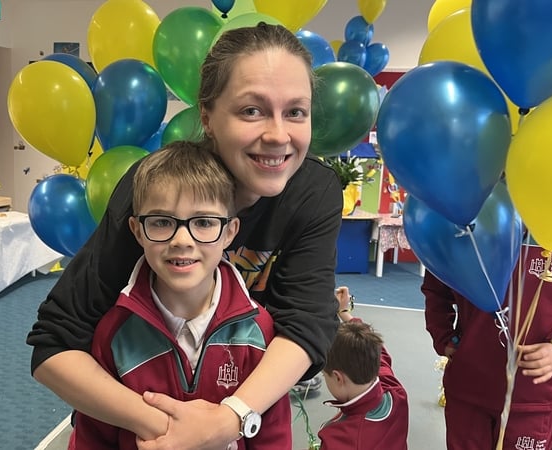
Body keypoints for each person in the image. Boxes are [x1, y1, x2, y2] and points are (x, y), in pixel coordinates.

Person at [27, 22, 344, 450]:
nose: (278, 135)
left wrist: (229, 419)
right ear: (208, 117)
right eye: (251, 110)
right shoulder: (155, 189)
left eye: (296, 112)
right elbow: (55, 343)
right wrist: (166, 429)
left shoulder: (315, 192)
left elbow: (306, 326)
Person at [69, 141, 292, 449]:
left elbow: (273, 438)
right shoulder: (114, 333)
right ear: (136, 230)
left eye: (203, 222)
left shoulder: (259, 331)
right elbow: (92, 439)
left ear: (230, 231)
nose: (182, 240)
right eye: (161, 222)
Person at [423, 240, 552, 450]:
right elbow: (436, 289)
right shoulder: (466, 234)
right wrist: (444, 337)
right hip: (469, 391)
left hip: (534, 399)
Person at [318, 286, 409, 450]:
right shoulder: (395, 392)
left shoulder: (338, 438)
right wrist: (345, 312)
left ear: (338, 378)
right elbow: (379, 352)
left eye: (326, 376)